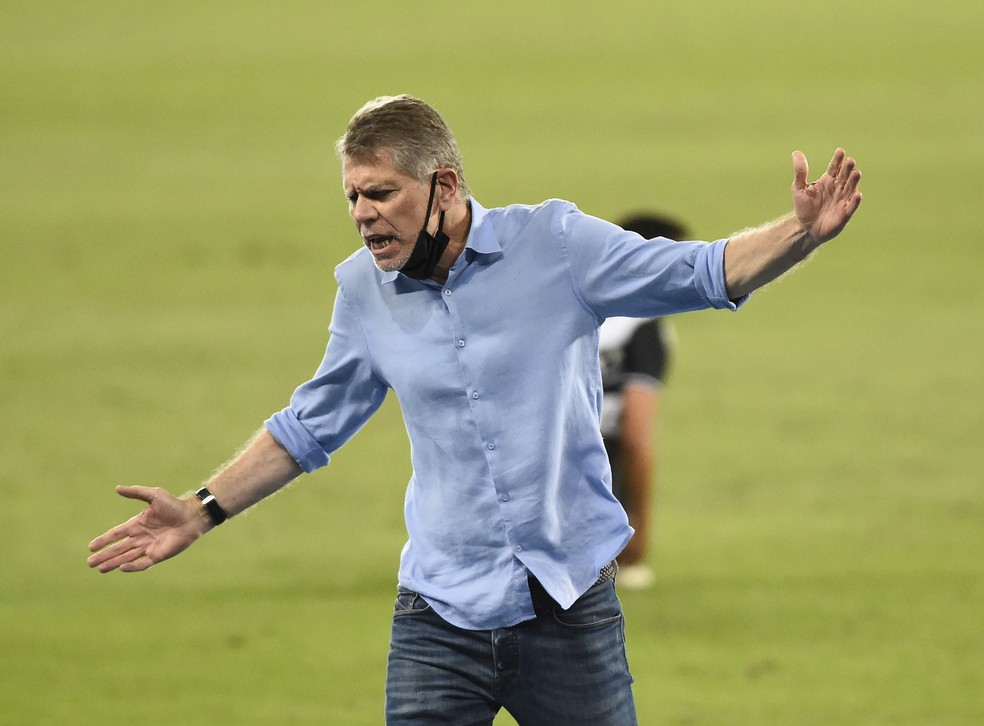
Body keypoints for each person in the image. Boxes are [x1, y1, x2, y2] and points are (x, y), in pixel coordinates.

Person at [87, 94, 862, 725]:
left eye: (382, 192)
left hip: (566, 605)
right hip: (438, 615)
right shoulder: (363, 291)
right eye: (352, 195)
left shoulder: (555, 246)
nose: (363, 214)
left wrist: (800, 232)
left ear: (445, 187)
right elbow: (311, 425)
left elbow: (700, 271)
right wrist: (201, 509)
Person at [600, 213, 687, 590]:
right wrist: (639, 527)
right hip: (596, 452)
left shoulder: (576, 302)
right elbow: (636, 435)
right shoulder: (644, 327)